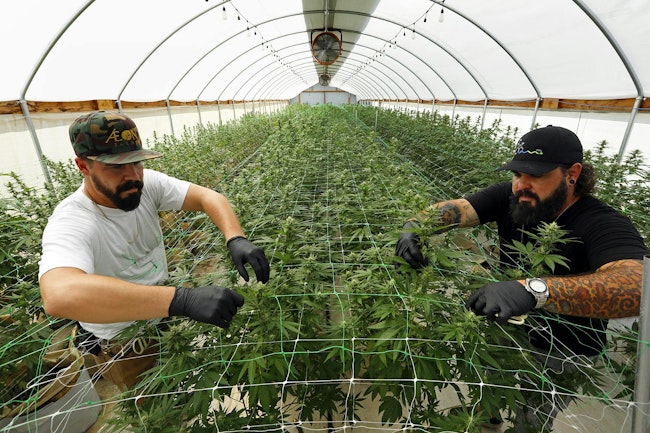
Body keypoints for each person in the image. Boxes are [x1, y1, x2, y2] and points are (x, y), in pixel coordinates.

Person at [395, 125, 647, 431]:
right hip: (506, 326)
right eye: (517, 174)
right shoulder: (512, 195)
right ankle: (488, 417)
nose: (521, 185)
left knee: (531, 418)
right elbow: (459, 209)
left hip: (563, 350)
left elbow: (637, 285)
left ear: (572, 173)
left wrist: (534, 290)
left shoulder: (601, 221)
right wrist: (416, 226)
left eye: (536, 175)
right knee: (488, 387)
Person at [38, 111, 270, 391]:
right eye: (115, 167)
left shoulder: (146, 184)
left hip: (161, 319)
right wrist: (181, 300)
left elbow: (208, 197)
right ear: (83, 167)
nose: (132, 175)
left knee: (179, 393)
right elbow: (59, 295)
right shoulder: (73, 220)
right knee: (153, 412)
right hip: (124, 343)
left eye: (136, 162)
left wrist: (235, 238)